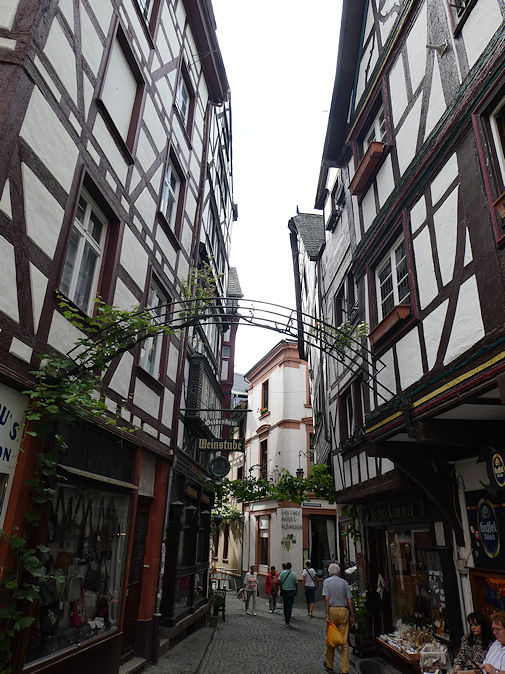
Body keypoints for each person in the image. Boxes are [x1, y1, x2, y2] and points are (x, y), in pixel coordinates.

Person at [322, 562, 355, 674]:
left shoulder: (326, 582)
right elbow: (349, 600)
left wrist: (327, 614)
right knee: (344, 643)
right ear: (339, 572)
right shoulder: (344, 583)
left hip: (332, 611)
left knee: (330, 638)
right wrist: (352, 615)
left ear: (330, 572)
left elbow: (326, 598)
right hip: (343, 611)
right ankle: (345, 669)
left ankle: (329, 665)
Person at [278, 562, 298, 627]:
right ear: (291, 567)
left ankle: (286, 618)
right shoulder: (293, 574)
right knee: (289, 606)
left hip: (284, 591)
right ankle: (288, 620)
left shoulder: (282, 573)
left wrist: (281, 589)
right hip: (291, 592)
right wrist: (296, 591)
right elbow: (296, 583)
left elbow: (279, 582)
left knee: (285, 605)